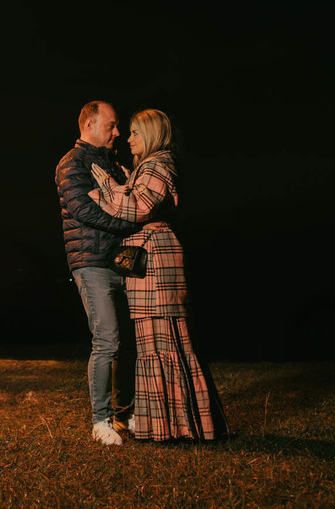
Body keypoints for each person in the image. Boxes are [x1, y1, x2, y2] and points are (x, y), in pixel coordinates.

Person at [88, 108, 228, 442]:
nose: (128, 137)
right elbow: (140, 196)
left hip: (157, 259)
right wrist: (126, 180)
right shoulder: (150, 167)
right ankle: (165, 424)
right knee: (154, 339)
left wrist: (107, 186)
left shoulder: (158, 164)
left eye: (135, 132)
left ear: (150, 135)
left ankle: (179, 425)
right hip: (149, 257)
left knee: (163, 335)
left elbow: (138, 207)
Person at [55, 101, 141, 446]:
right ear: (89, 124)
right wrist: (131, 222)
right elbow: (84, 210)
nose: (117, 132)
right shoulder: (71, 164)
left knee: (130, 343)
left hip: (122, 261)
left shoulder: (114, 164)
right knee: (107, 340)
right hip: (91, 261)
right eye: (112, 125)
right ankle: (101, 420)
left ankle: (126, 415)